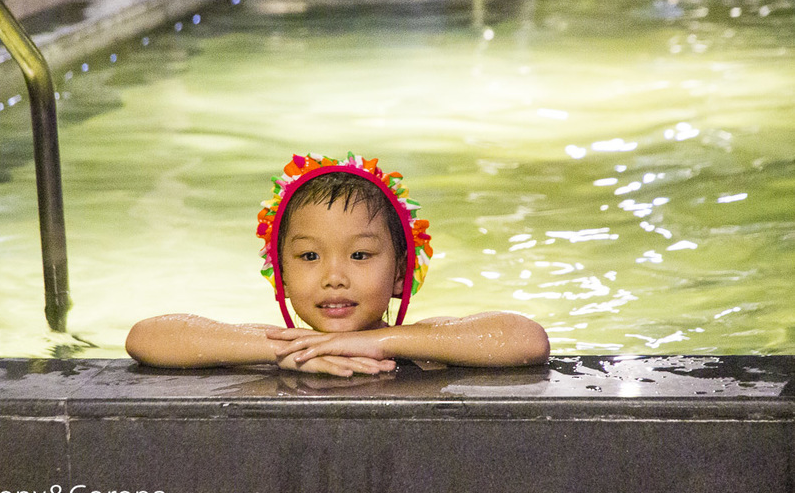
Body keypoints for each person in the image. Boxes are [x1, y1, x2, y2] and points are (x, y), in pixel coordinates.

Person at [126, 153, 550, 377]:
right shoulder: (278, 344)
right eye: (309, 256)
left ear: (402, 272)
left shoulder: (424, 347)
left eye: (360, 255)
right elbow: (147, 337)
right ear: (282, 275)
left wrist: (379, 344)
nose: (333, 278)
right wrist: (286, 352)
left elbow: (527, 341)